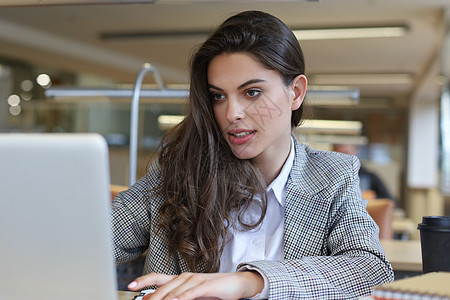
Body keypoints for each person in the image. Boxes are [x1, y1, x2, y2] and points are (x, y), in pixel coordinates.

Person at [111, 10, 394, 299]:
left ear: (295, 92)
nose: (231, 113)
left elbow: (370, 268)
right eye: (218, 96)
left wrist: (247, 282)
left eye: (252, 92)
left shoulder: (333, 175)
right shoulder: (179, 168)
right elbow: (95, 239)